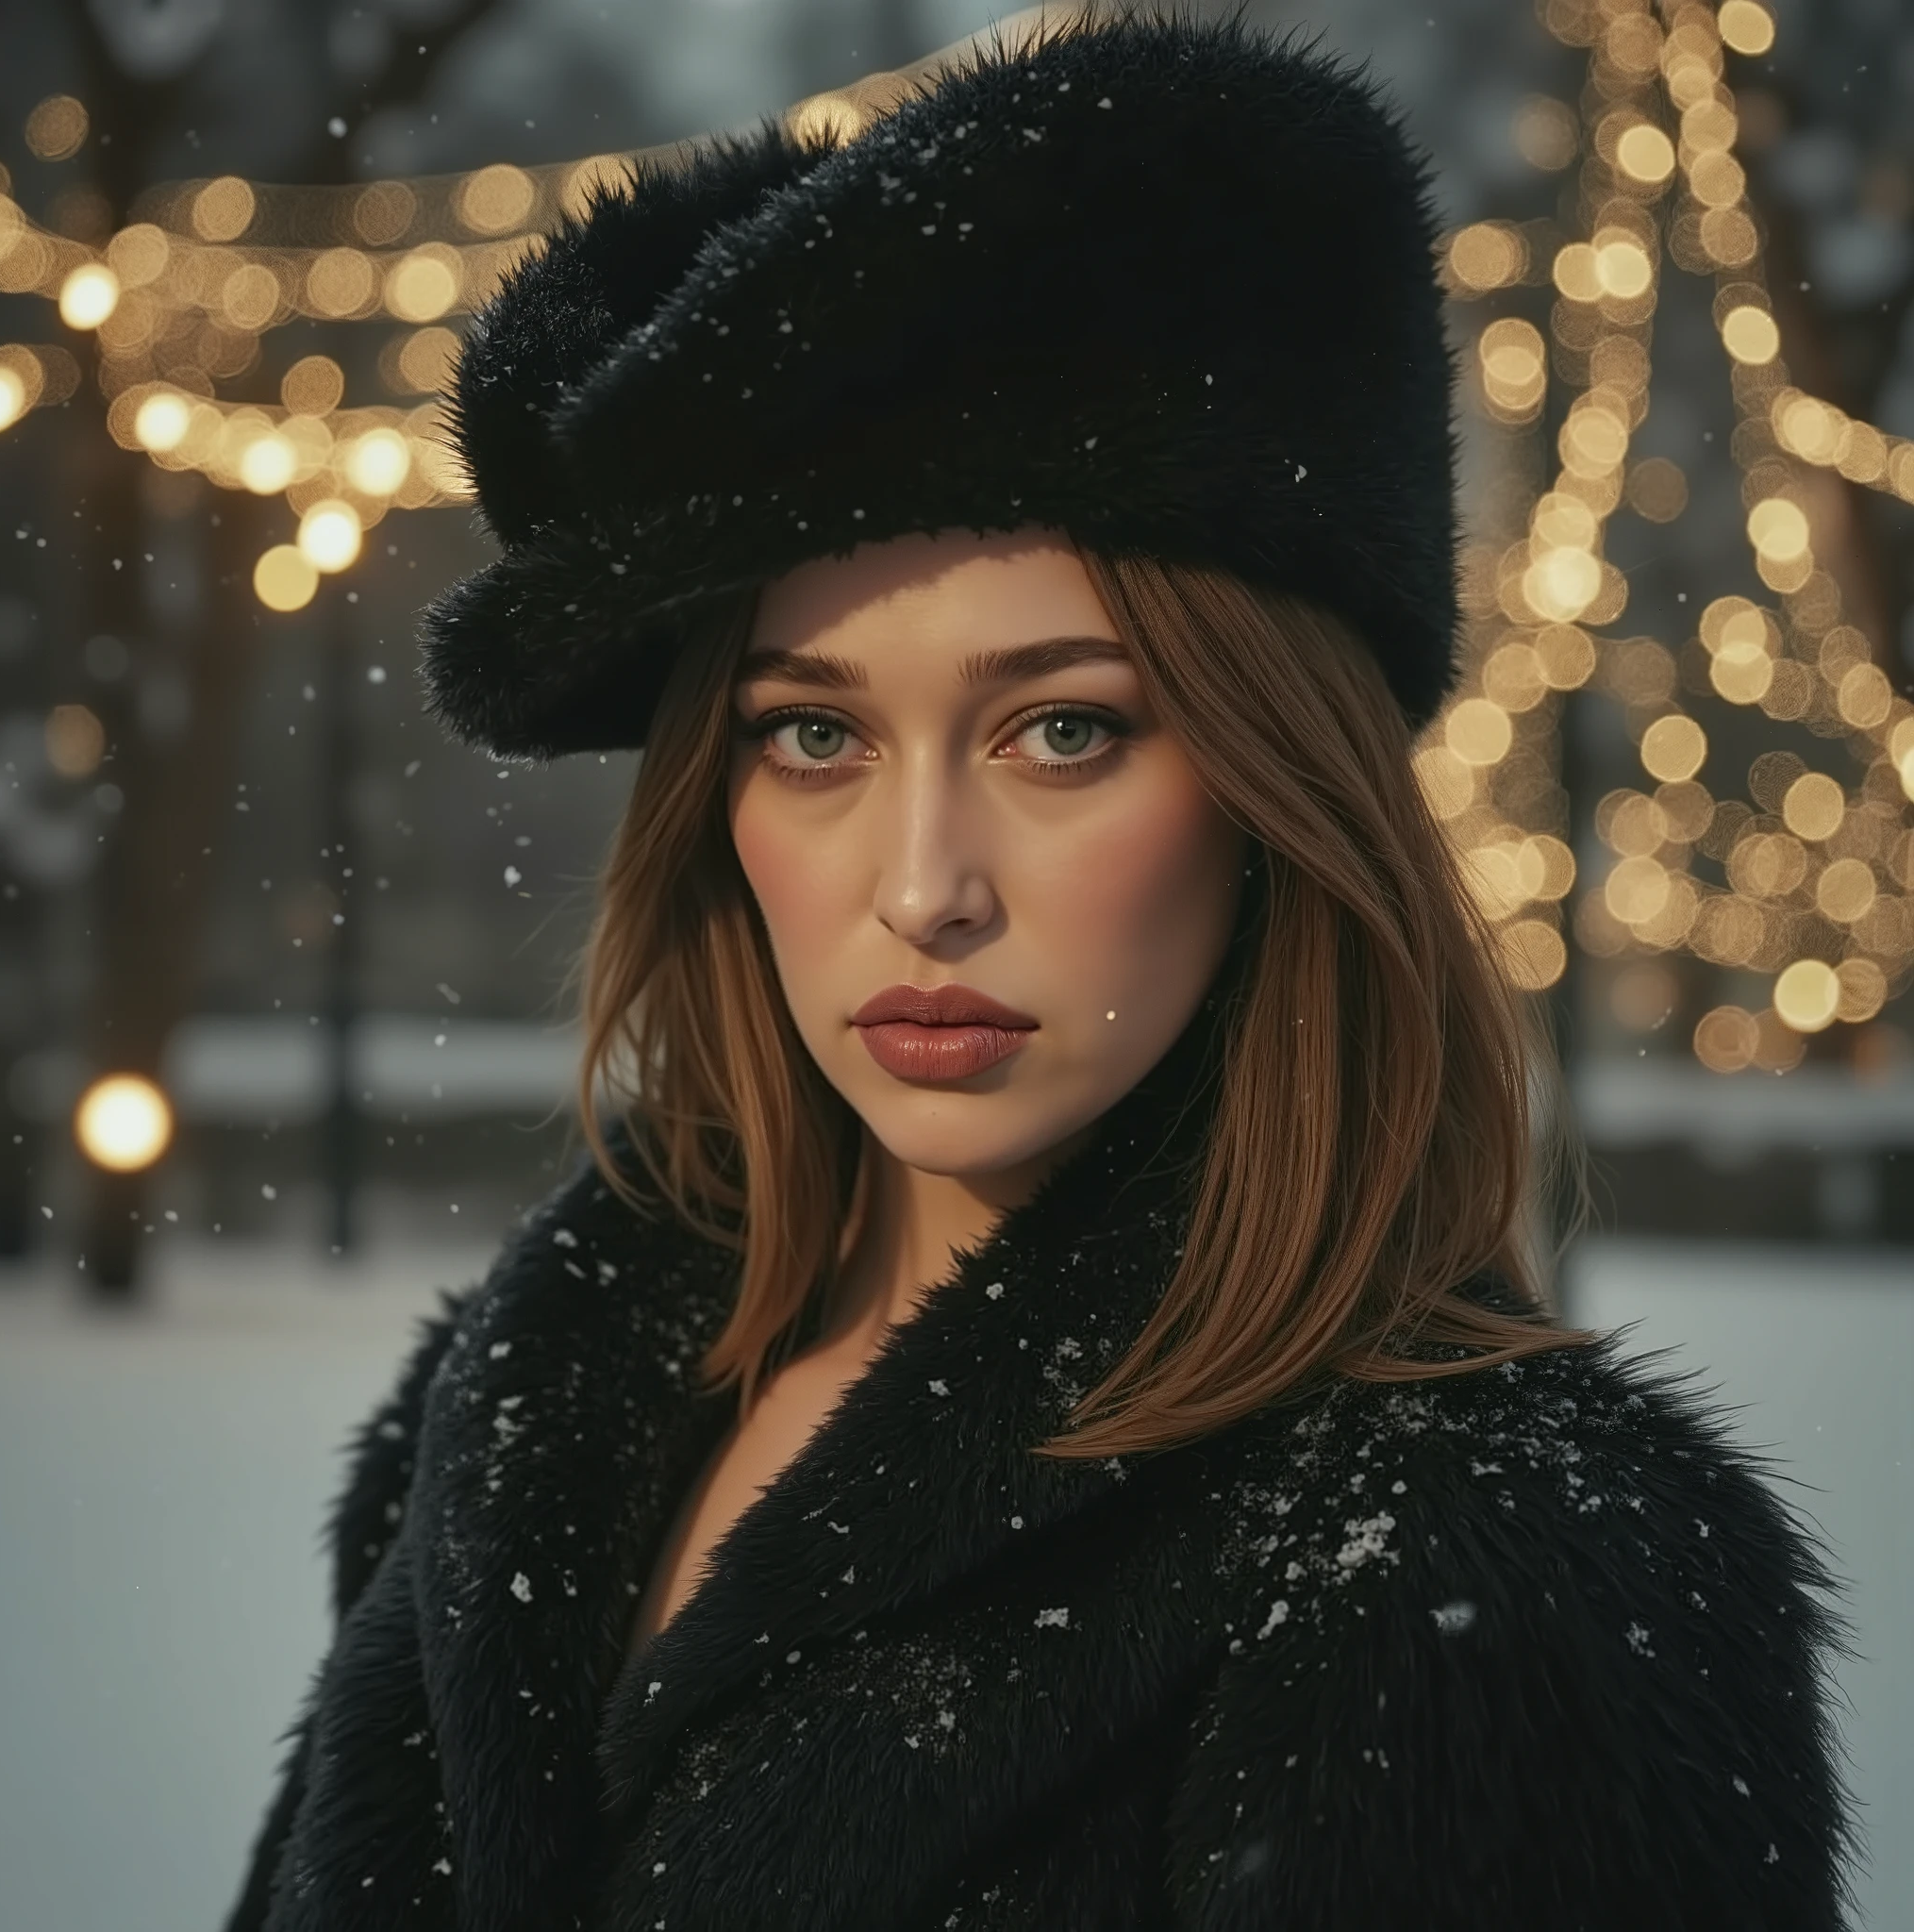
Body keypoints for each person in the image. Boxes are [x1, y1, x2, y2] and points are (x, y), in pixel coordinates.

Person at [225, 8, 1857, 1928]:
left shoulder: (1493, 1563)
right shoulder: (522, 1401)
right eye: (811, 735)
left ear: (1276, 783)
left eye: (1062, 731)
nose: (922, 888)